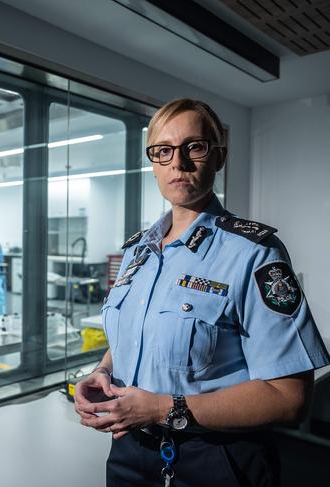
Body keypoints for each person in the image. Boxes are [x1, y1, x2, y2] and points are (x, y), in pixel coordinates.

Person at [73, 98, 330, 486]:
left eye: (194, 146)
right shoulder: (137, 253)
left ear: (218, 156)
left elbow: (289, 398)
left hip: (215, 460)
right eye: (163, 151)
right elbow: (139, 330)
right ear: (154, 163)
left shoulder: (254, 253)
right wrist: (103, 371)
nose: (178, 162)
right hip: (129, 452)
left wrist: (162, 409)